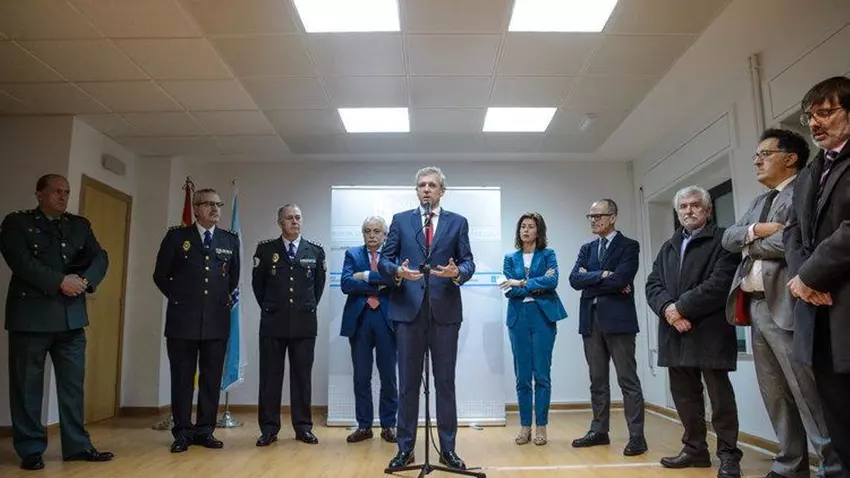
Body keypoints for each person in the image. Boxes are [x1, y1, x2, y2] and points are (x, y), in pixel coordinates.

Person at [724, 128, 841, 478]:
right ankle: (790, 464)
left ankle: (833, 466)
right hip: (756, 306)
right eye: (755, 155)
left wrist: (750, 243)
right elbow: (728, 238)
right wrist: (758, 231)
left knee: (807, 392)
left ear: (790, 158)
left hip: (788, 305)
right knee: (774, 394)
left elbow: (795, 243)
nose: (757, 161)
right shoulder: (758, 203)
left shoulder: (804, 192)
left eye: (765, 154)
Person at [0, 174, 113, 470]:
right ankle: (30, 449)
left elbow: (100, 257)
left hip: (71, 320)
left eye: (67, 192)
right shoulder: (17, 223)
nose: (63, 197)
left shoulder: (79, 225)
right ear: (39, 194)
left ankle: (77, 446)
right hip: (31, 319)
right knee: (27, 387)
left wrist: (84, 281)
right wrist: (60, 282)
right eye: (56, 191)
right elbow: (21, 262)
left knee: (73, 387)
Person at [379, 166, 475, 471]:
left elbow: (468, 262)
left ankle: (448, 450)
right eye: (421, 185)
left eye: (432, 185)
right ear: (416, 190)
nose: (426, 189)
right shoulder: (400, 221)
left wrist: (457, 272)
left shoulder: (458, 222)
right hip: (408, 311)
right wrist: (397, 271)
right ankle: (405, 449)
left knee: (445, 383)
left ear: (442, 191)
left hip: (444, 312)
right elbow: (384, 260)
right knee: (407, 384)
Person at [645, 185, 743, 478]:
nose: (689, 211)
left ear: (708, 210)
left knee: (720, 399)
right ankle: (695, 450)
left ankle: (728, 455)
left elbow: (720, 283)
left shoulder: (723, 241)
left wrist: (681, 308)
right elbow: (653, 285)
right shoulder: (669, 246)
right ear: (678, 213)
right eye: (683, 206)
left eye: (695, 205)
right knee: (685, 397)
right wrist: (668, 310)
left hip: (710, 330)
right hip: (675, 332)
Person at [784, 76, 850, 475]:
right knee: (836, 415)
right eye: (810, 115)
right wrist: (802, 282)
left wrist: (810, 276)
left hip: (844, 301)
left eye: (825, 112)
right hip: (817, 312)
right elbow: (794, 231)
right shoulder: (810, 173)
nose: (814, 123)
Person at [153, 188, 241, 453]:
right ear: (196, 208)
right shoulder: (177, 237)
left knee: (211, 379)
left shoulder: (229, 240)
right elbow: (160, 275)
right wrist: (181, 298)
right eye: (208, 204)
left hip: (216, 320)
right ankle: (182, 432)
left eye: (218, 204)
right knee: (182, 378)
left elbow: (232, 278)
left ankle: (205, 431)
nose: (215, 209)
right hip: (183, 321)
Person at [568, 199, 647, 456]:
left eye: (598, 215)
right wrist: (603, 275)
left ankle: (637, 437)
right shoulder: (587, 248)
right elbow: (574, 280)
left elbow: (622, 279)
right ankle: (599, 431)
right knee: (597, 380)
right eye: (590, 216)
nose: (593, 220)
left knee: (628, 380)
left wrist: (591, 278)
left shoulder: (629, 246)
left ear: (612, 217)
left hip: (619, 322)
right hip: (590, 322)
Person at [252, 204, 326, 446]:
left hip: (304, 324)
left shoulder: (315, 251)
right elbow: (258, 286)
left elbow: (318, 287)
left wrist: (302, 308)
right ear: (279, 222)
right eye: (289, 218)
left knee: (302, 378)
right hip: (273, 322)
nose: (295, 221)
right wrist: (273, 307)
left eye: (298, 217)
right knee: (270, 378)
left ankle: (303, 427)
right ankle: (269, 429)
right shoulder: (266, 250)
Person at [500, 212, 566, 446]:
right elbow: (509, 291)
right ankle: (525, 426)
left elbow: (552, 281)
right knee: (522, 376)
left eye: (531, 226)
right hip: (518, 318)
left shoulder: (548, 255)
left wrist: (521, 282)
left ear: (539, 231)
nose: (526, 230)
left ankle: (542, 426)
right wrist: (536, 285)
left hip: (542, 317)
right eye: (523, 226)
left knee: (542, 375)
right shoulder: (510, 258)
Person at [339, 216, 398, 444]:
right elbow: (346, 284)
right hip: (360, 320)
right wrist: (378, 284)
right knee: (361, 377)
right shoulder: (353, 254)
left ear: (385, 235)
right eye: (367, 231)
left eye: (376, 231)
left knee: (388, 377)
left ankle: (388, 425)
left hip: (386, 320)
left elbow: (395, 282)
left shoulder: (393, 255)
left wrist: (364, 276)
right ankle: (364, 426)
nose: (372, 235)